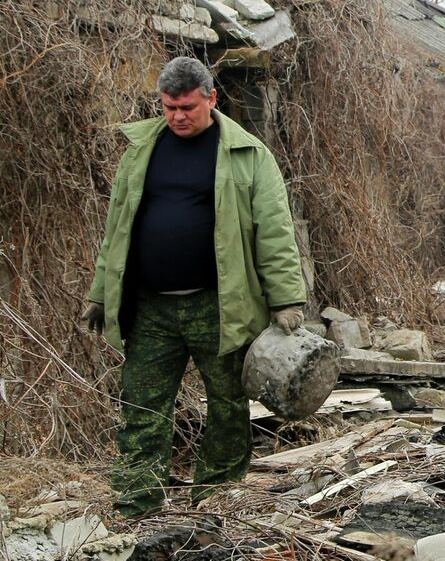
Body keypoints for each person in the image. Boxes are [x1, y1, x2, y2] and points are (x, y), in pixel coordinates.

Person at [83, 56, 308, 517]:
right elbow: (118, 228)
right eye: (169, 108)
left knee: (227, 406)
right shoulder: (141, 150)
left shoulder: (247, 155)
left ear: (212, 99)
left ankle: (218, 498)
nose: (178, 117)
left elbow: (275, 230)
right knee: (142, 405)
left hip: (220, 306)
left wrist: (286, 298)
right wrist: (100, 293)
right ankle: (136, 502)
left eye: (187, 107)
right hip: (151, 309)